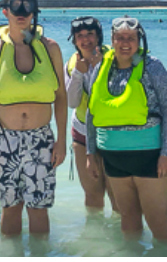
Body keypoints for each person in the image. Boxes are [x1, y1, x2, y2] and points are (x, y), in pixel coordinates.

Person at [0, 0, 67, 236]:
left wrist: (61, 140)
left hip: (41, 138)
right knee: (10, 207)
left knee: (39, 208)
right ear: (5, 11)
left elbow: (60, 96)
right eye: (16, 7)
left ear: (35, 10)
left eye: (28, 6)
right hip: (4, 139)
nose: (22, 13)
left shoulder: (51, 48)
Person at [85, 16, 167, 242]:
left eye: (131, 38)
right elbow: (91, 112)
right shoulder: (101, 68)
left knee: (157, 220)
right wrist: (91, 151)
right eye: (120, 38)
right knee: (128, 218)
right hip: (113, 157)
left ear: (140, 41)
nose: (125, 43)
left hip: (149, 155)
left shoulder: (153, 67)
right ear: (112, 40)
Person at [64, 16, 117, 211]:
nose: (85, 40)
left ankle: (121, 239)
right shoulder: (71, 65)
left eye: (90, 35)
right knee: (93, 195)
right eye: (80, 36)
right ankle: (93, 238)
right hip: (82, 135)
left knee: (116, 196)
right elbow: (72, 102)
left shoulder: (114, 59)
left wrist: (100, 68)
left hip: (110, 135)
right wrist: (78, 72)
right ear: (74, 40)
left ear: (99, 37)